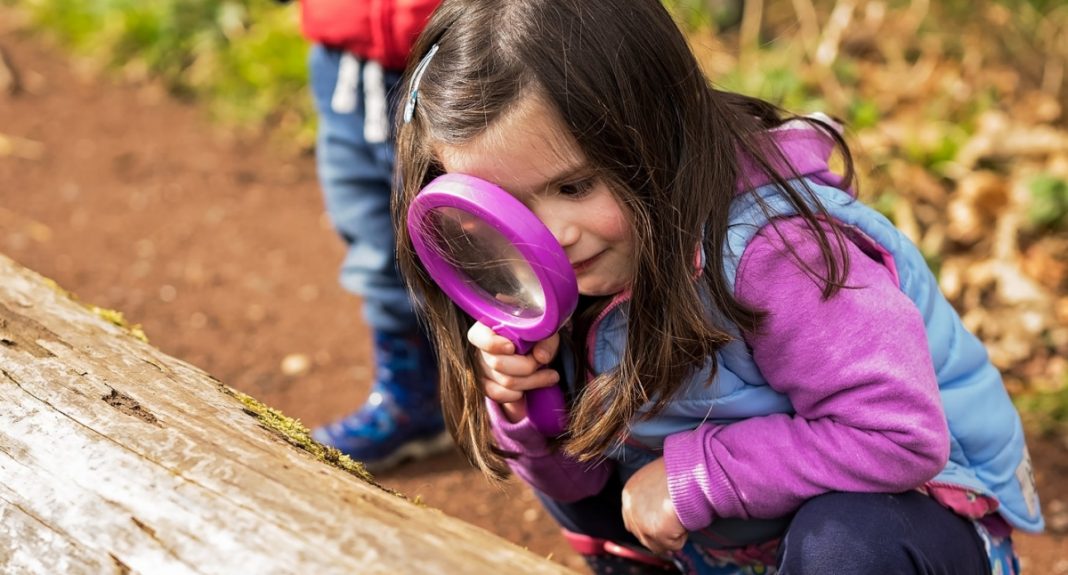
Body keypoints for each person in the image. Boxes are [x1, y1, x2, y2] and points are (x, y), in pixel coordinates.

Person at [392, 1, 1045, 574]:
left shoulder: (779, 250)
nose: (549, 235)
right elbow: (579, 478)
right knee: (574, 433)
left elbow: (898, 436)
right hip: (728, 539)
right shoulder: (563, 270)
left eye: (573, 186)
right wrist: (526, 409)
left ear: (658, 134)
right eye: (503, 207)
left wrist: (694, 476)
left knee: (848, 542)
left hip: (913, 515)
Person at [297, 0, 451, 472]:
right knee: (374, 238)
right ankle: (411, 401)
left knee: (480, 235)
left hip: (457, 55)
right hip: (342, 61)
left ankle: (542, 411)